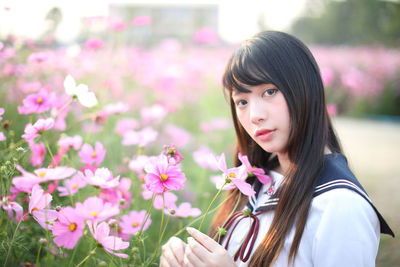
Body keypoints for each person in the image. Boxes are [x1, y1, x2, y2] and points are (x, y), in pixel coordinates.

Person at [159, 31, 394, 267]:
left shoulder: (340, 206)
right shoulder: (256, 183)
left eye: (269, 92)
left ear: (305, 90)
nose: (255, 116)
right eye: (242, 101)